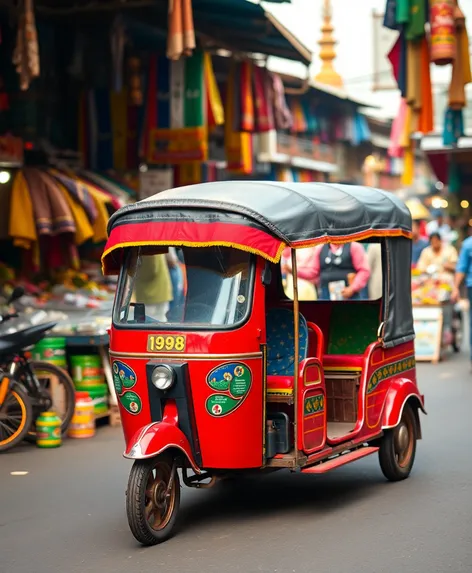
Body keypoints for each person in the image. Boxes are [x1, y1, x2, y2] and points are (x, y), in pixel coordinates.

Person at [134, 254, 173, 321]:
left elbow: (150, 269)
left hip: (151, 295)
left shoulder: (147, 247)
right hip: (159, 291)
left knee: (151, 324)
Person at [452, 234, 472, 367]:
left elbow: (461, 268)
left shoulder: (467, 244)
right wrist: (455, 288)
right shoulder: (468, 244)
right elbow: (462, 267)